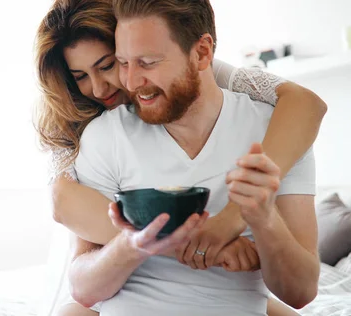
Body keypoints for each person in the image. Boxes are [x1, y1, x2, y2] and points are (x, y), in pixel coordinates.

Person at [33, 0, 327, 315]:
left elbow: (305, 103)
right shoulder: (98, 131)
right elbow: (63, 206)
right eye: (80, 75)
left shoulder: (267, 123)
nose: (112, 85)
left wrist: (248, 217)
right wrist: (185, 243)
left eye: (109, 65)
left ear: (202, 54)